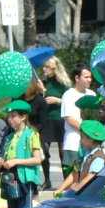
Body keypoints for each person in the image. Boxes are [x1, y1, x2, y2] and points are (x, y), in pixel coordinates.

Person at [0, 100, 43, 208]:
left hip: (25, 179)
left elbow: (37, 159)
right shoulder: (10, 137)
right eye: (8, 116)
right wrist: (1, 161)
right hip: (11, 179)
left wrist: (16, 161)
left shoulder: (32, 135)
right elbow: (8, 156)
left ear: (23, 117)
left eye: (13, 116)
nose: (9, 119)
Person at [54, 119, 105, 195]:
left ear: (91, 139)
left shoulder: (98, 158)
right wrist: (60, 189)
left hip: (91, 198)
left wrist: (75, 190)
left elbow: (91, 177)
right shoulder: (86, 154)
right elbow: (74, 173)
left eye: (82, 137)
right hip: (82, 194)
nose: (80, 141)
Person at [40, 56, 71, 188]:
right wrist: (41, 92)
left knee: (62, 152)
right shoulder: (43, 83)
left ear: (54, 69)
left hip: (59, 119)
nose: (44, 69)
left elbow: (71, 100)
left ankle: (66, 181)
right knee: (44, 150)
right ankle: (47, 180)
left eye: (47, 67)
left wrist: (57, 100)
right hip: (46, 119)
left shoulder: (64, 85)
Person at [60, 64, 95, 177]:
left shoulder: (92, 94)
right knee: (73, 177)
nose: (89, 80)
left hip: (90, 144)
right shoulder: (68, 95)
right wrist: (86, 131)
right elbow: (69, 119)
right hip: (73, 143)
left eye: (90, 77)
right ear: (77, 78)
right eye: (86, 77)